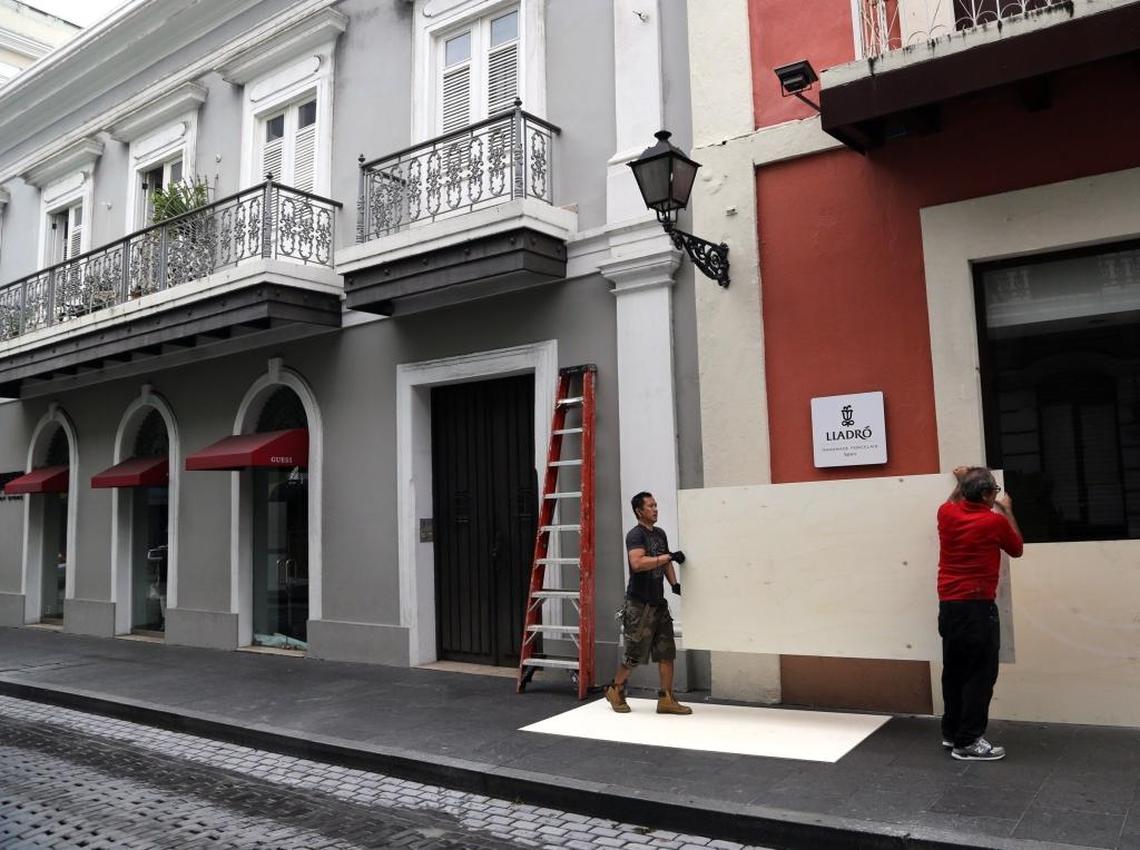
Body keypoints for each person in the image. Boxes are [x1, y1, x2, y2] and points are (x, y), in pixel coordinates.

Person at [937, 466, 1023, 761]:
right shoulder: (993, 522)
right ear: (987, 495)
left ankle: (951, 734)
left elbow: (952, 500)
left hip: (949, 606)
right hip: (977, 607)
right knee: (980, 675)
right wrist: (1007, 509)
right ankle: (969, 741)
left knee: (954, 671)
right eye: (995, 492)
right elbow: (1017, 548)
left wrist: (963, 480)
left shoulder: (945, 515)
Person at [604, 491, 691, 715]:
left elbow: (665, 560)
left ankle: (666, 699)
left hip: (658, 604)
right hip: (639, 606)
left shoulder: (659, 534)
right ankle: (615, 689)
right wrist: (667, 557)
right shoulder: (635, 535)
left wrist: (674, 585)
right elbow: (638, 563)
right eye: (650, 506)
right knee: (633, 654)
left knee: (667, 652)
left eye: (656, 505)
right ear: (639, 511)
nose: (655, 509)